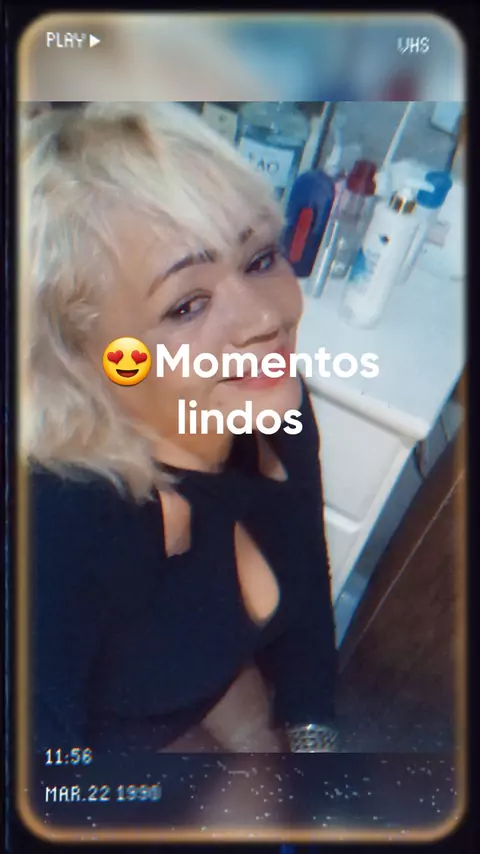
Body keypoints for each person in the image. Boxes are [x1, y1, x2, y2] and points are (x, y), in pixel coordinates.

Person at [21, 102, 338, 756]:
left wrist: (315, 743)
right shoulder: (61, 523)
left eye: (259, 259)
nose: (265, 321)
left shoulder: (269, 406)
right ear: (85, 360)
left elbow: (308, 587)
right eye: (187, 305)